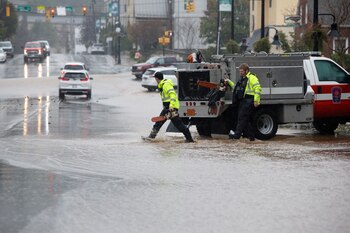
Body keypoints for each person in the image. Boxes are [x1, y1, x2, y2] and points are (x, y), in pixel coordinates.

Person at [144, 72, 194, 143]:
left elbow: (172, 95)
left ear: (157, 78)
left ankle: (190, 139)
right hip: (167, 107)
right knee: (160, 122)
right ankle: (151, 137)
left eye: (155, 78)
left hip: (170, 108)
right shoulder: (162, 85)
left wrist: (171, 106)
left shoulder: (166, 85)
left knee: (178, 124)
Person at [225, 63, 261, 141]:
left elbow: (258, 88)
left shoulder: (252, 78)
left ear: (247, 71)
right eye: (240, 71)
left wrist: (256, 100)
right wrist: (229, 82)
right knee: (245, 119)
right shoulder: (243, 79)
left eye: (242, 71)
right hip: (243, 101)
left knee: (242, 118)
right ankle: (251, 137)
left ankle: (236, 136)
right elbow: (236, 88)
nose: (240, 72)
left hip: (249, 100)